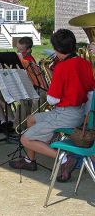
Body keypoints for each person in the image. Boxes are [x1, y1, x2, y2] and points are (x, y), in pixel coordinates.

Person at [9, 29, 95, 183]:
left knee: (25, 139)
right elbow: (89, 89)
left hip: (65, 114)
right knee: (31, 119)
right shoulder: (84, 63)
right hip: (79, 112)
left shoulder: (62, 67)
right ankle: (30, 162)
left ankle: (64, 159)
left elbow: (52, 99)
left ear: (57, 49)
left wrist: (54, 83)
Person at [0, 36, 37, 134]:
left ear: (29, 50)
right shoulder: (18, 59)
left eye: (21, 49)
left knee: (1, 95)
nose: (18, 51)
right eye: (17, 48)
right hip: (16, 86)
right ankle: (7, 120)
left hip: (25, 89)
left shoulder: (28, 61)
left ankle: (14, 123)